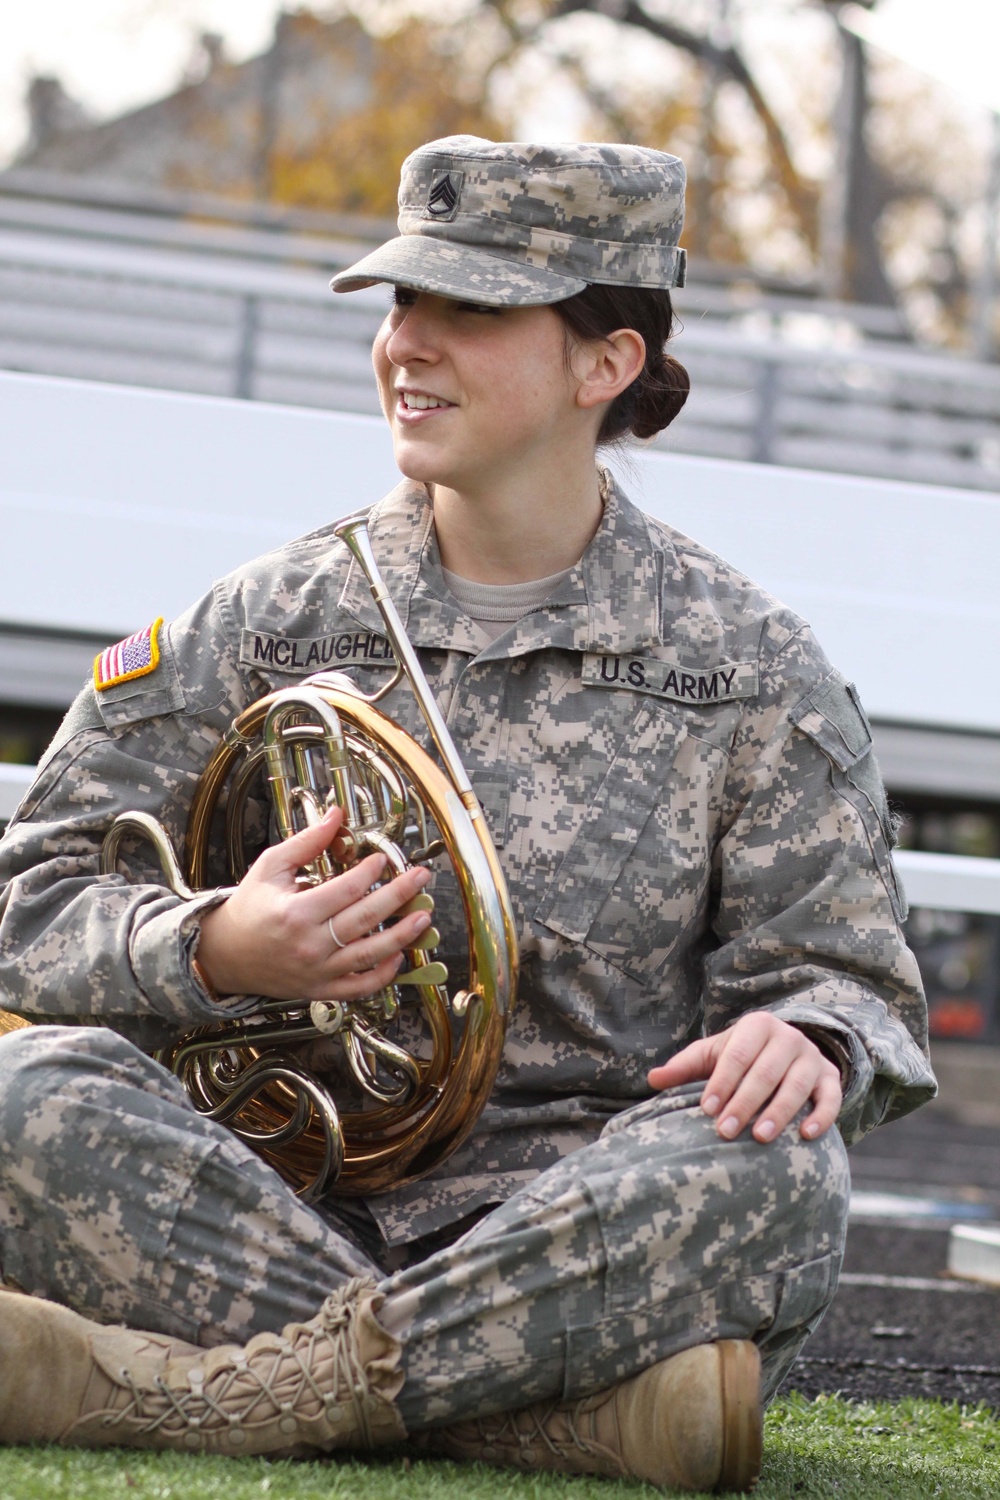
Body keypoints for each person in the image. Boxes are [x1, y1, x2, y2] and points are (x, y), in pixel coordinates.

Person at [0, 137, 934, 1491]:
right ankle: (551, 1417)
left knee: (774, 1176)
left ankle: (185, 1393)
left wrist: (807, 1040)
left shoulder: (749, 670)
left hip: (576, 1218)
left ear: (602, 363)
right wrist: (215, 947)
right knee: (15, 1094)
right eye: (398, 305)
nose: (407, 347)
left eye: (471, 311)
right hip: (273, 1198)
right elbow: (27, 900)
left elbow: (849, 981)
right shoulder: (262, 621)